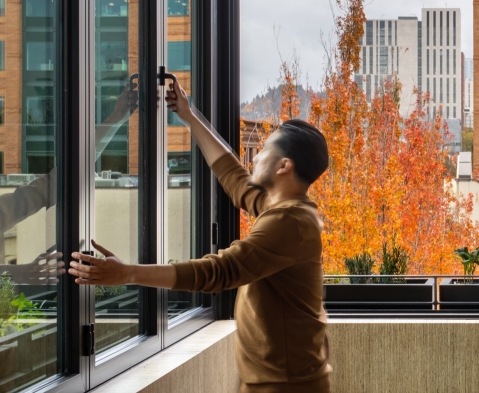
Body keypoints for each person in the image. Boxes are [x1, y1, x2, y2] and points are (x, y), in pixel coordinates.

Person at [69, 81, 332, 393]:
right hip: (277, 381)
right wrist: (189, 115)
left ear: (284, 167)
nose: (256, 157)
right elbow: (235, 179)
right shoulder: (286, 209)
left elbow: (218, 272)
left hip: (287, 386)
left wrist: (127, 272)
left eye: (264, 151)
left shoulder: (288, 222)